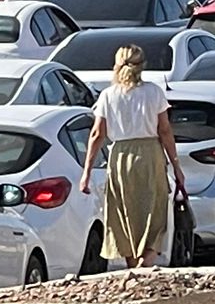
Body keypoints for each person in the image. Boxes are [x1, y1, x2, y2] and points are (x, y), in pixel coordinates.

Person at [80, 45, 187, 269]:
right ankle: (145, 264)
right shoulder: (154, 92)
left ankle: (133, 268)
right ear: (142, 66)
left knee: (124, 212)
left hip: (120, 156)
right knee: (153, 211)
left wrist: (87, 173)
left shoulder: (108, 95)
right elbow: (165, 130)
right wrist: (176, 168)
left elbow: (97, 133)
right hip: (150, 155)